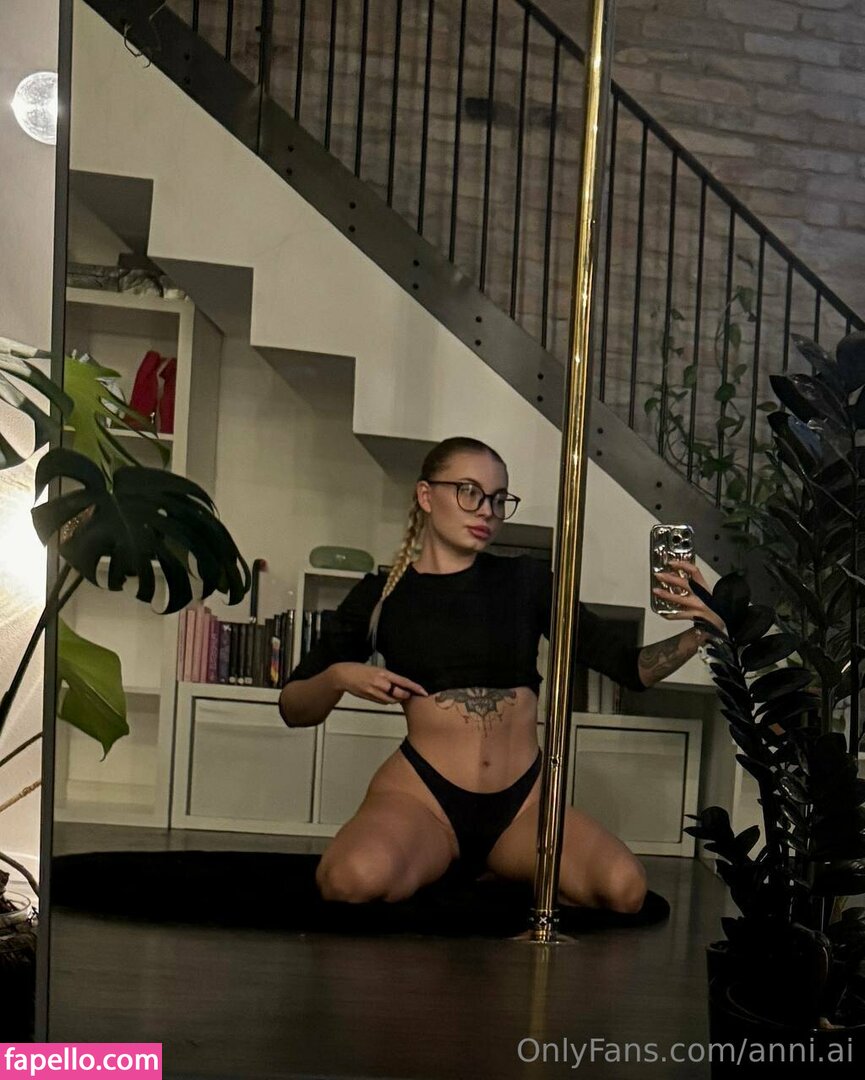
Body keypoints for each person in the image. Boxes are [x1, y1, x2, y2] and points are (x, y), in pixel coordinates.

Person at [278, 436, 722, 913]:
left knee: (624, 889)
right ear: (426, 495)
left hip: (522, 807)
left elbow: (631, 669)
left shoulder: (526, 581)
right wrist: (339, 677)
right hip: (423, 800)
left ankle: (489, 866)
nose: (486, 510)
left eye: (497, 498)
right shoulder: (383, 596)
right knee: (350, 880)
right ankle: (441, 858)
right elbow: (293, 707)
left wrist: (704, 630)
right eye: (469, 492)